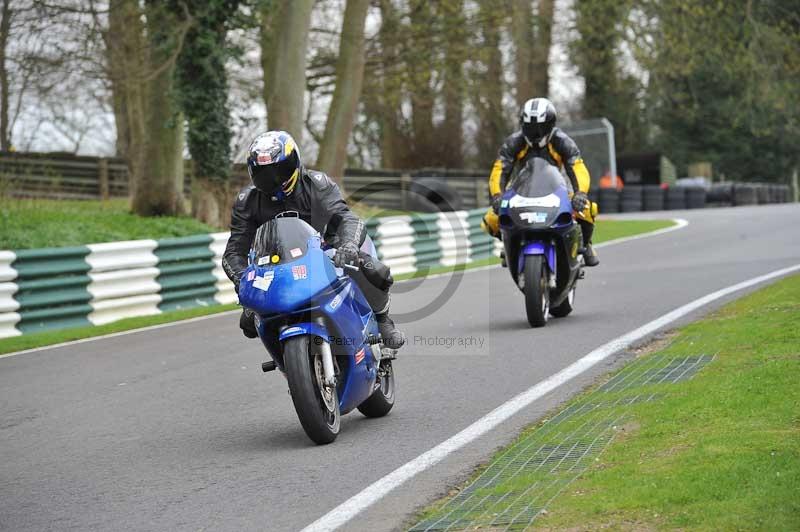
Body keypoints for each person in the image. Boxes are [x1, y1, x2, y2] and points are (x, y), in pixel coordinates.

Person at [222, 130, 405, 349]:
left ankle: (383, 319)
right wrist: (245, 281)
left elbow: (347, 219)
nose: (273, 179)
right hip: (275, 266)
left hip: (326, 252)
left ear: (295, 163)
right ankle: (290, 364)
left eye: (279, 170)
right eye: (264, 173)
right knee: (249, 322)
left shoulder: (316, 184)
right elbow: (234, 251)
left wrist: (347, 245)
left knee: (373, 269)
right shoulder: (247, 200)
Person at [481, 97, 600, 267]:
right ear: (522, 124)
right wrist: (497, 195)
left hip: (558, 187)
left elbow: (577, 167)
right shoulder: (514, 142)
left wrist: (580, 193)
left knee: (588, 209)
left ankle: (585, 245)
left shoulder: (562, 141)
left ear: (550, 125)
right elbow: (500, 169)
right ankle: (510, 245)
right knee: (491, 219)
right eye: (530, 127)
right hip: (520, 189)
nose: (535, 133)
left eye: (540, 128)